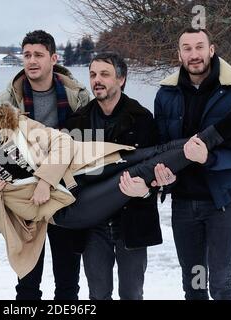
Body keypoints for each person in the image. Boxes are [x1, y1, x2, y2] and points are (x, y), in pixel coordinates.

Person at [0, 77, 231, 282]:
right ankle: (222, 136)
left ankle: (226, 137)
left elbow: (61, 141)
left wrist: (44, 177)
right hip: (65, 208)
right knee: (137, 173)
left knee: (144, 152)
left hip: (75, 173)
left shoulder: (18, 125)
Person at [152, 28, 231, 300]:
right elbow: (162, 148)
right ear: (179, 55)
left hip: (222, 202)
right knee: (194, 284)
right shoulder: (166, 95)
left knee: (221, 284)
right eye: (187, 49)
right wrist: (163, 174)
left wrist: (209, 158)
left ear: (211, 50)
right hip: (184, 204)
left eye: (199, 47)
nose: (194, 54)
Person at [65, 52, 162, 300]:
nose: (97, 80)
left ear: (121, 79)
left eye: (105, 74)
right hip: (93, 224)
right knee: (98, 295)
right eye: (93, 75)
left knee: (131, 294)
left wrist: (148, 189)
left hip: (132, 220)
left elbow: (155, 167)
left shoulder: (142, 119)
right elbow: (64, 170)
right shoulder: (77, 121)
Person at [2, 30, 90, 300]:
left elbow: (82, 146)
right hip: (28, 194)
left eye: (38, 55)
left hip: (66, 193)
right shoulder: (8, 101)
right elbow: (5, 151)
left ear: (53, 58)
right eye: (27, 55)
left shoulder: (78, 96)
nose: (32, 61)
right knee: (27, 283)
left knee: (68, 282)